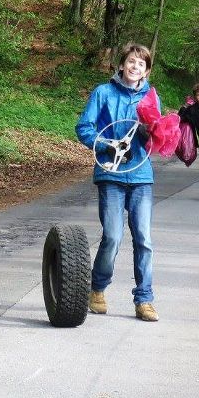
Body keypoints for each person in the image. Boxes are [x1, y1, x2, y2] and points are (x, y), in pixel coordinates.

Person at [75, 42, 159, 322]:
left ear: (146, 71)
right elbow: (84, 128)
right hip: (110, 173)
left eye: (142, 64)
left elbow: (154, 137)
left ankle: (144, 299)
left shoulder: (150, 97)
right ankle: (97, 289)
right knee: (112, 236)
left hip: (141, 175)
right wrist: (104, 144)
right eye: (132, 61)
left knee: (144, 240)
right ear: (122, 64)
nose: (136, 67)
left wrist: (152, 132)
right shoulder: (103, 93)